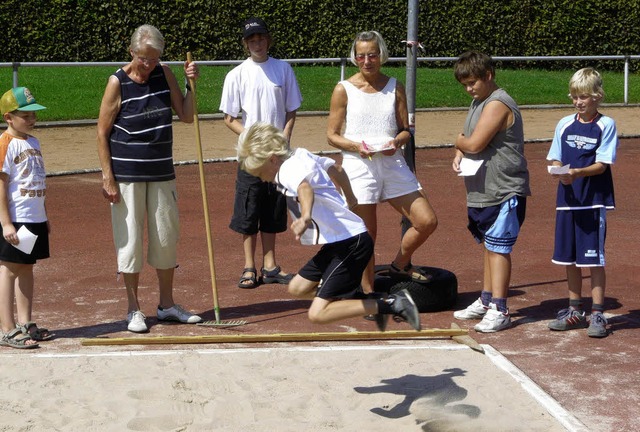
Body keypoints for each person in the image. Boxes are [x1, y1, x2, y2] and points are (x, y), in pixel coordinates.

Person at [236, 121, 421, 331]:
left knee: (317, 314)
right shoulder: (300, 155)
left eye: (260, 173)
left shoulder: (286, 170)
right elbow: (337, 169)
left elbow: (305, 188)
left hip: (351, 243)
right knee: (298, 288)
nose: (263, 179)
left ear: (271, 159)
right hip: (340, 242)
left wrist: (305, 217)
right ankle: (363, 301)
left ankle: (389, 304)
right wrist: (350, 198)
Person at [97, 24, 202, 333]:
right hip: (127, 174)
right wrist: (107, 177)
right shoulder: (116, 82)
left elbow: (186, 115)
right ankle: (133, 310)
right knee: (129, 242)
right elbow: (102, 132)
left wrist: (190, 85)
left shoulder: (164, 74)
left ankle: (167, 305)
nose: (149, 65)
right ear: (132, 52)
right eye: (144, 58)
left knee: (166, 239)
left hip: (161, 172)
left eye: (155, 58)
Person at [326, 30, 438, 294]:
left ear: (382, 56)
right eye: (361, 55)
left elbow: (405, 129)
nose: (367, 61)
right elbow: (331, 135)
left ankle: (399, 264)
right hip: (358, 165)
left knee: (427, 220)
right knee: (367, 236)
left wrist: (396, 143)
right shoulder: (343, 89)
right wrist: (357, 147)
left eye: (372, 55)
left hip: (392, 163)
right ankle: (368, 293)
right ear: (354, 58)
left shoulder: (395, 86)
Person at [220, 17, 303, 290]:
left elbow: (291, 110)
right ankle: (249, 266)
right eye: (251, 40)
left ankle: (270, 266)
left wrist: (284, 138)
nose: (257, 43)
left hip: (278, 154)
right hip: (250, 156)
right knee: (248, 208)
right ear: (246, 44)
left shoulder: (283, 69)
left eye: (261, 38)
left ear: (268, 40)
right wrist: (252, 141)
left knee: (273, 207)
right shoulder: (236, 75)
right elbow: (230, 118)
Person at [451, 51, 530, 333]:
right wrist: (459, 149)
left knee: (499, 249)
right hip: (483, 188)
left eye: (472, 83)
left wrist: (461, 143)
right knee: (489, 246)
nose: (469, 89)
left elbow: (474, 143)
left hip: (505, 188)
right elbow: (467, 140)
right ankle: (485, 301)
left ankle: (500, 308)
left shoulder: (497, 103)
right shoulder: (478, 103)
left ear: (488, 75)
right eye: (464, 85)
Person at [546, 67, 618, 338]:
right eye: (575, 96)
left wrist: (576, 173)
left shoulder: (605, 124)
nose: (578, 101)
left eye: (584, 96)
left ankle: (598, 312)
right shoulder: (564, 123)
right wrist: (558, 170)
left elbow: (602, 165)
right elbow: (554, 156)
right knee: (569, 259)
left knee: (594, 260)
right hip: (567, 201)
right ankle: (575, 310)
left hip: (592, 201)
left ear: (598, 96)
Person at [0, 87, 52, 349]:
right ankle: (7, 329)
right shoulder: (5, 143)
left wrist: (45, 215)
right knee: (9, 270)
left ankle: (25, 323)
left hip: (34, 216)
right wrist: (6, 222)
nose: (32, 119)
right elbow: (1, 185)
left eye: (34, 115)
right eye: (26, 115)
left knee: (27, 267)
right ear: (9, 117)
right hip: (16, 218)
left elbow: (36, 179)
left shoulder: (33, 142)